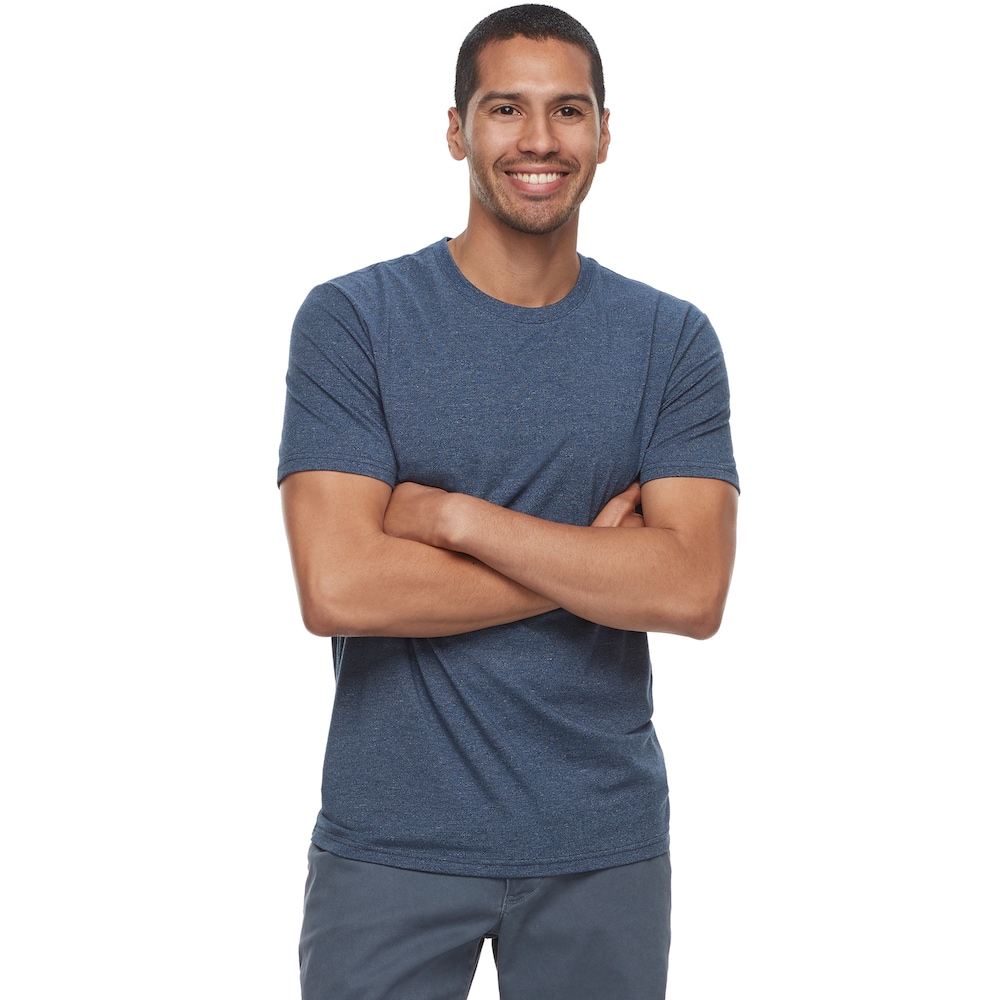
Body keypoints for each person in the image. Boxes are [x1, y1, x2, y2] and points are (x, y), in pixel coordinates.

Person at [278, 5, 739, 998]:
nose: (539, 139)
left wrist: (456, 520)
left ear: (605, 134)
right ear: (456, 131)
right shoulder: (354, 321)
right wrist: (593, 564)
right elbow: (341, 586)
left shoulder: (670, 341)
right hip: (392, 842)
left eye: (568, 110)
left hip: (602, 844)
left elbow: (692, 589)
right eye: (505, 109)